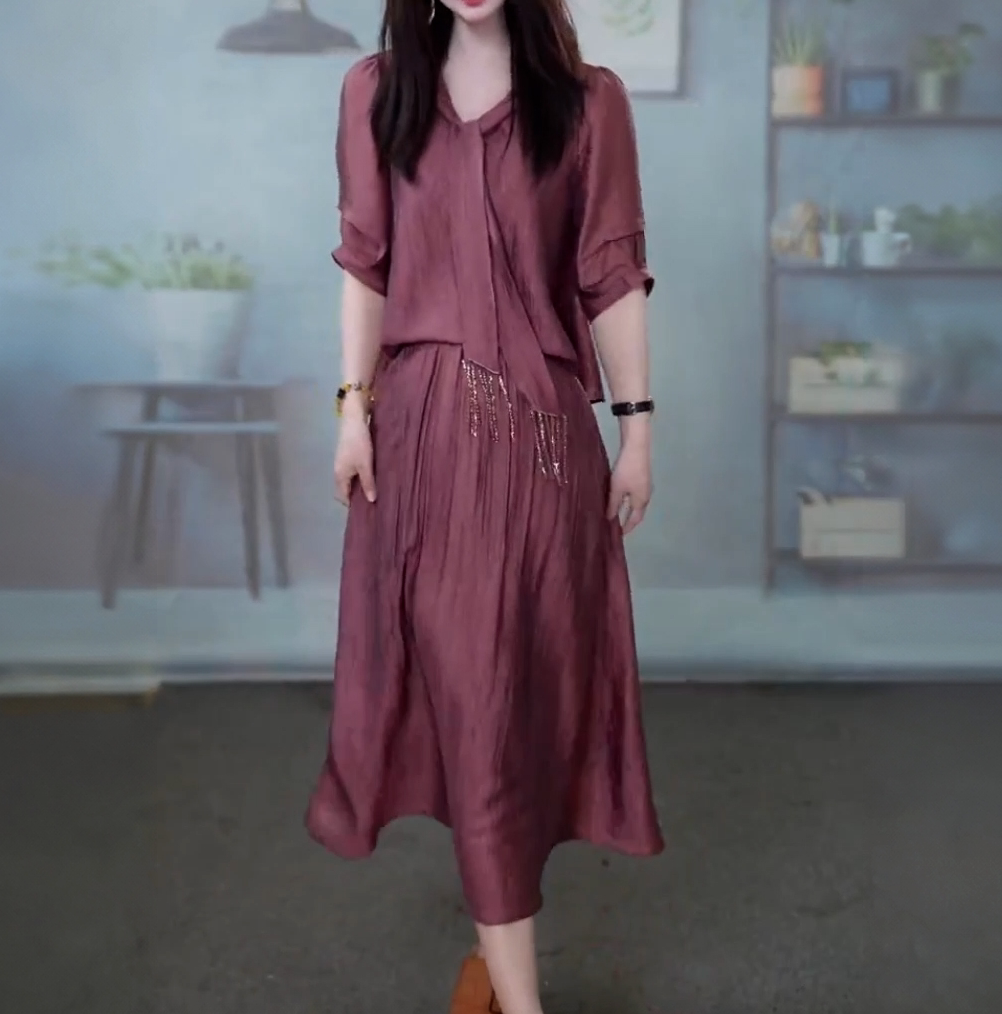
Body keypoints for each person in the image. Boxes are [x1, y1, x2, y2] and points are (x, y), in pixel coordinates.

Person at [305, 0, 665, 1010]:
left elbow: (611, 277)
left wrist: (637, 429)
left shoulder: (590, 104)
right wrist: (352, 411)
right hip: (421, 438)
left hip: (545, 443)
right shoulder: (376, 93)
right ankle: (521, 994)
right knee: (472, 697)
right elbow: (366, 265)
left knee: (519, 698)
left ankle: (505, 954)